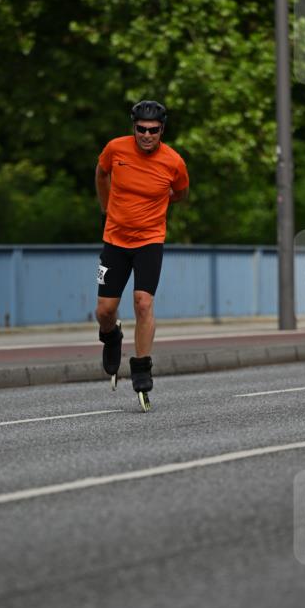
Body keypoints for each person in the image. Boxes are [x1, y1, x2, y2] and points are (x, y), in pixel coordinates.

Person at [95, 100, 189, 407]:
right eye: (141, 129)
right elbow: (101, 173)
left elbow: (181, 193)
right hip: (115, 241)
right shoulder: (116, 150)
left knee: (143, 303)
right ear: (133, 127)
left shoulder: (173, 162)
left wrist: (156, 207)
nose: (147, 135)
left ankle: (142, 369)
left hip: (150, 241)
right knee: (105, 311)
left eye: (153, 130)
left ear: (162, 130)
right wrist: (106, 208)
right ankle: (111, 337)